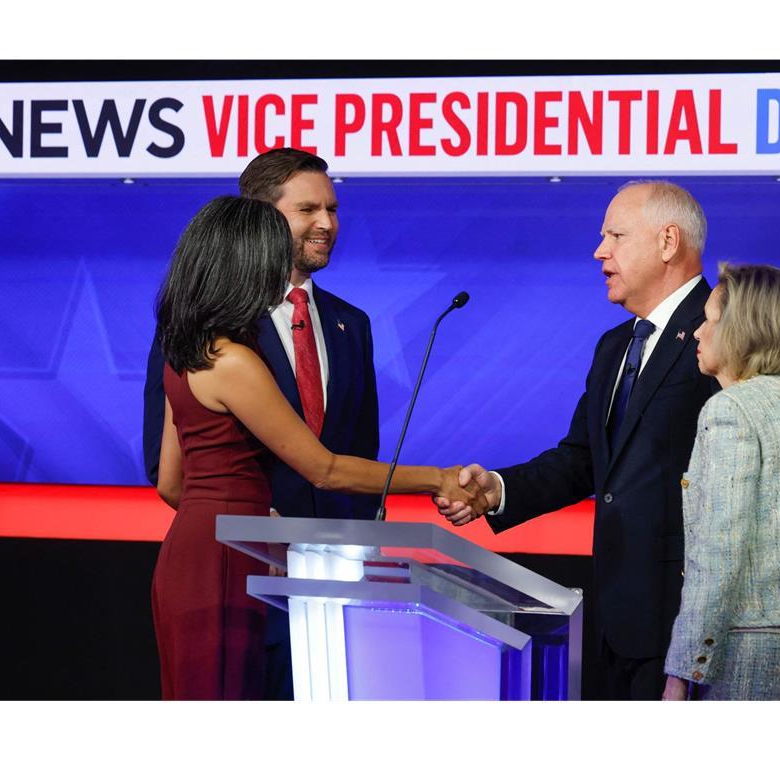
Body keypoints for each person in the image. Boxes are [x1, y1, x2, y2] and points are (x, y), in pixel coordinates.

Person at [151, 195, 480, 700]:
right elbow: (323, 468)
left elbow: (172, 482)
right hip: (227, 565)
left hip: (190, 554)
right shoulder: (234, 362)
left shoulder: (187, 351)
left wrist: (250, 521)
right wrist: (437, 478)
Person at [436, 181, 719, 699]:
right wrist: (497, 489)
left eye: (615, 235)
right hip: (615, 618)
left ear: (667, 241)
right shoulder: (615, 346)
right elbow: (585, 461)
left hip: (688, 621)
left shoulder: (721, 328)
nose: (599, 251)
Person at [142, 148, 380, 699]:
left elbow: (360, 456)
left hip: (331, 594)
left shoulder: (353, 324)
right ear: (262, 217)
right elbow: (171, 469)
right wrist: (260, 533)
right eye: (308, 210)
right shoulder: (206, 329)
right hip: (246, 574)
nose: (326, 223)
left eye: (333, 209)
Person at [661, 263, 780, 701]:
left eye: (708, 320)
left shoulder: (731, 409)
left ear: (740, 329)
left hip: (751, 640)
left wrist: (682, 669)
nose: (696, 334)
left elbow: (720, 547)